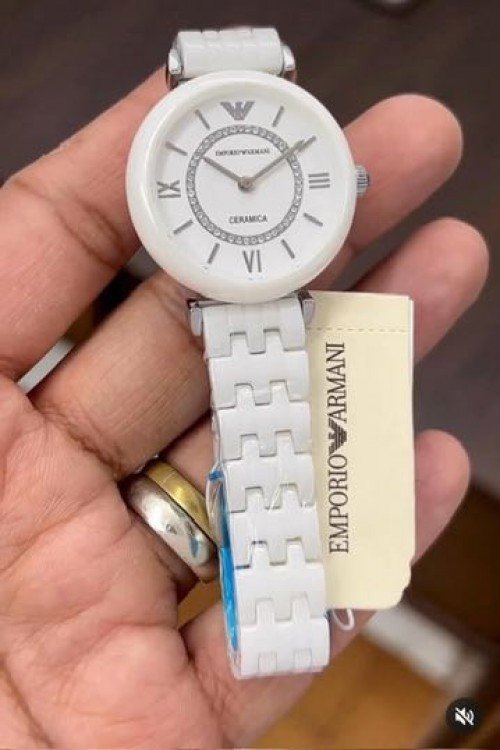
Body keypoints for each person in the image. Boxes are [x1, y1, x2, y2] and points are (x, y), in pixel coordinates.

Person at [0, 67, 488, 747]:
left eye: (259, 177)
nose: (247, 187)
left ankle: (283, 617)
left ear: (345, 184)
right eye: (233, 180)